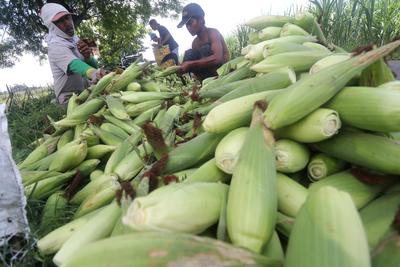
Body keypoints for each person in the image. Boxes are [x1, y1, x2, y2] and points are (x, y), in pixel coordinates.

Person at [40, 3, 105, 104]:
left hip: (87, 92)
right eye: (60, 21)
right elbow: (74, 64)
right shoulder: (55, 46)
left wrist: (88, 57)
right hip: (70, 99)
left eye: (67, 17)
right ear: (53, 26)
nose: (67, 23)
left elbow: (93, 65)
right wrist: (94, 73)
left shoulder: (75, 40)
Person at [176, 3, 230, 81]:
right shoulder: (195, 43)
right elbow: (199, 65)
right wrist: (183, 68)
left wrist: (191, 64)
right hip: (208, 79)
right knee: (189, 55)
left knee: (196, 57)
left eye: (190, 22)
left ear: (201, 20)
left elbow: (217, 58)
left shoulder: (212, 33)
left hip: (224, 76)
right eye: (186, 25)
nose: (188, 27)